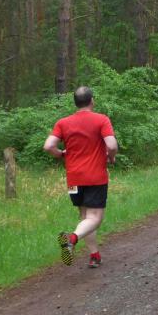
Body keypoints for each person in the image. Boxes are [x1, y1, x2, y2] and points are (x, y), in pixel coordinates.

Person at [43, 86, 118, 268]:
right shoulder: (101, 119)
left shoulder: (63, 123)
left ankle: (94, 256)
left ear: (76, 103)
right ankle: (72, 239)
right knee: (95, 218)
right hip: (95, 177)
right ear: (92, 101)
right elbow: (111, 145)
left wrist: (61, 154)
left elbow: (48, 146)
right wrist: (111, 157)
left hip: (73, 179)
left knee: (85, 216)